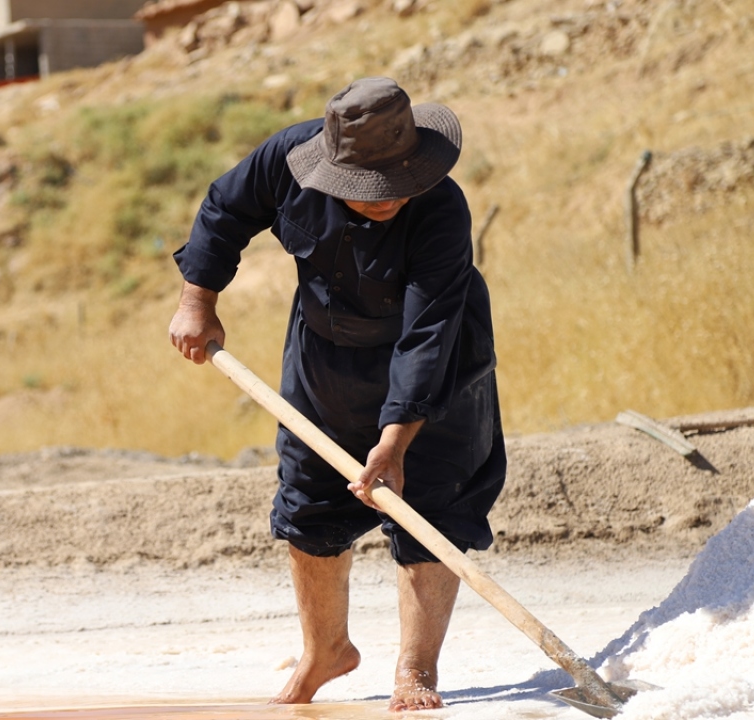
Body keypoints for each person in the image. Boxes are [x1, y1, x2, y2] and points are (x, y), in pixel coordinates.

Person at [168, 76, 506, 712]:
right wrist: (197, 302)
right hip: (324, 360)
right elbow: (225, 210)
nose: (386, 197)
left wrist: (395, 441)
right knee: (310, 503)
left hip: (439, 364)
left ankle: (415, 671)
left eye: (397, 181)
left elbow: (426, 337)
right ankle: (326, 650)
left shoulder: (441, 210)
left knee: (433, 502)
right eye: (367, 186)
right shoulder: (286, 159)